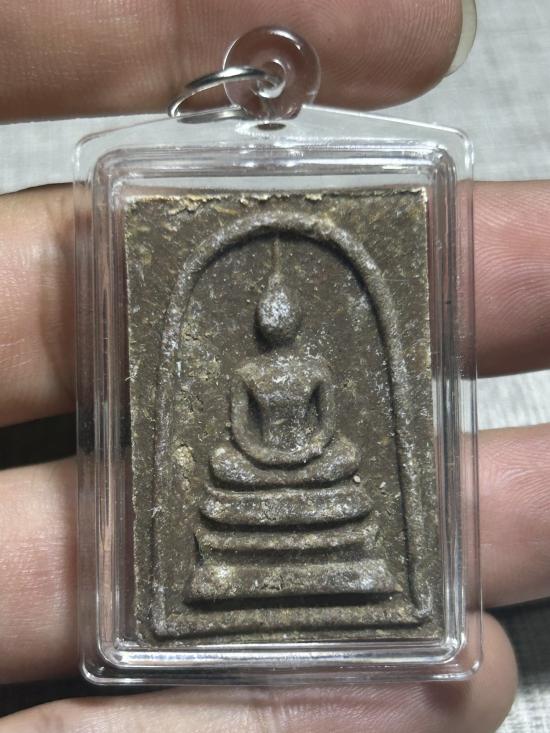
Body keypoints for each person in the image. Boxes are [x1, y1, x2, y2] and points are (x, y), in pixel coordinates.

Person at [0, 1, 548, 731]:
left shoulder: (315, 365)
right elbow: (237, 431)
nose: (274, 320)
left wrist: (305, 453)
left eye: (281, 313)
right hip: (255, 471)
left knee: (341, 463)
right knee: (224, 472)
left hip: (314, 469)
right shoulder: (248, 374)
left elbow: (328, 429)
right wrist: (260, 457)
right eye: (268, 314)